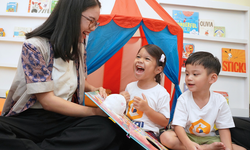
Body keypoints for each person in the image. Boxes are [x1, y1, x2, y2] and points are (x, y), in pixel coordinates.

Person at [0, 0, 120, 149]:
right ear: (71, 15)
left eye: (96, 23)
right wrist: (94, 112)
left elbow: (78, 81)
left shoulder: (79, 47)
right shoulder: (34, 46)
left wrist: (94, 89)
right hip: (31, 118)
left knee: (106, 127)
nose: (93, 28)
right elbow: (48, 101)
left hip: (63, 118)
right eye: (91, 21)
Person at [159, 51, 246, 150]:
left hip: (210, 139)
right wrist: (189, 145)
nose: (189, 78)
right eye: (187, 74)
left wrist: (228, 148)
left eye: (195, 74)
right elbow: (178, 126)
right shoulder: (183, 98)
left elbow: (224, 128)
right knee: (166, 137)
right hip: (187, 137)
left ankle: (203, 147)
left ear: (212, 78)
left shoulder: (220, 100)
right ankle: (204, 148)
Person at [120, 44, 170, 149]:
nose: (140, 60)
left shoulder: (161, 92)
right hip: (126, 129)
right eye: (138, 56)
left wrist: (146, 109)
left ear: (158, 70)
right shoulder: (130, 87)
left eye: (147, 59)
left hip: (147, 134)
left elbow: (164, 122)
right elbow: (123, 113)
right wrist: (121, 100)